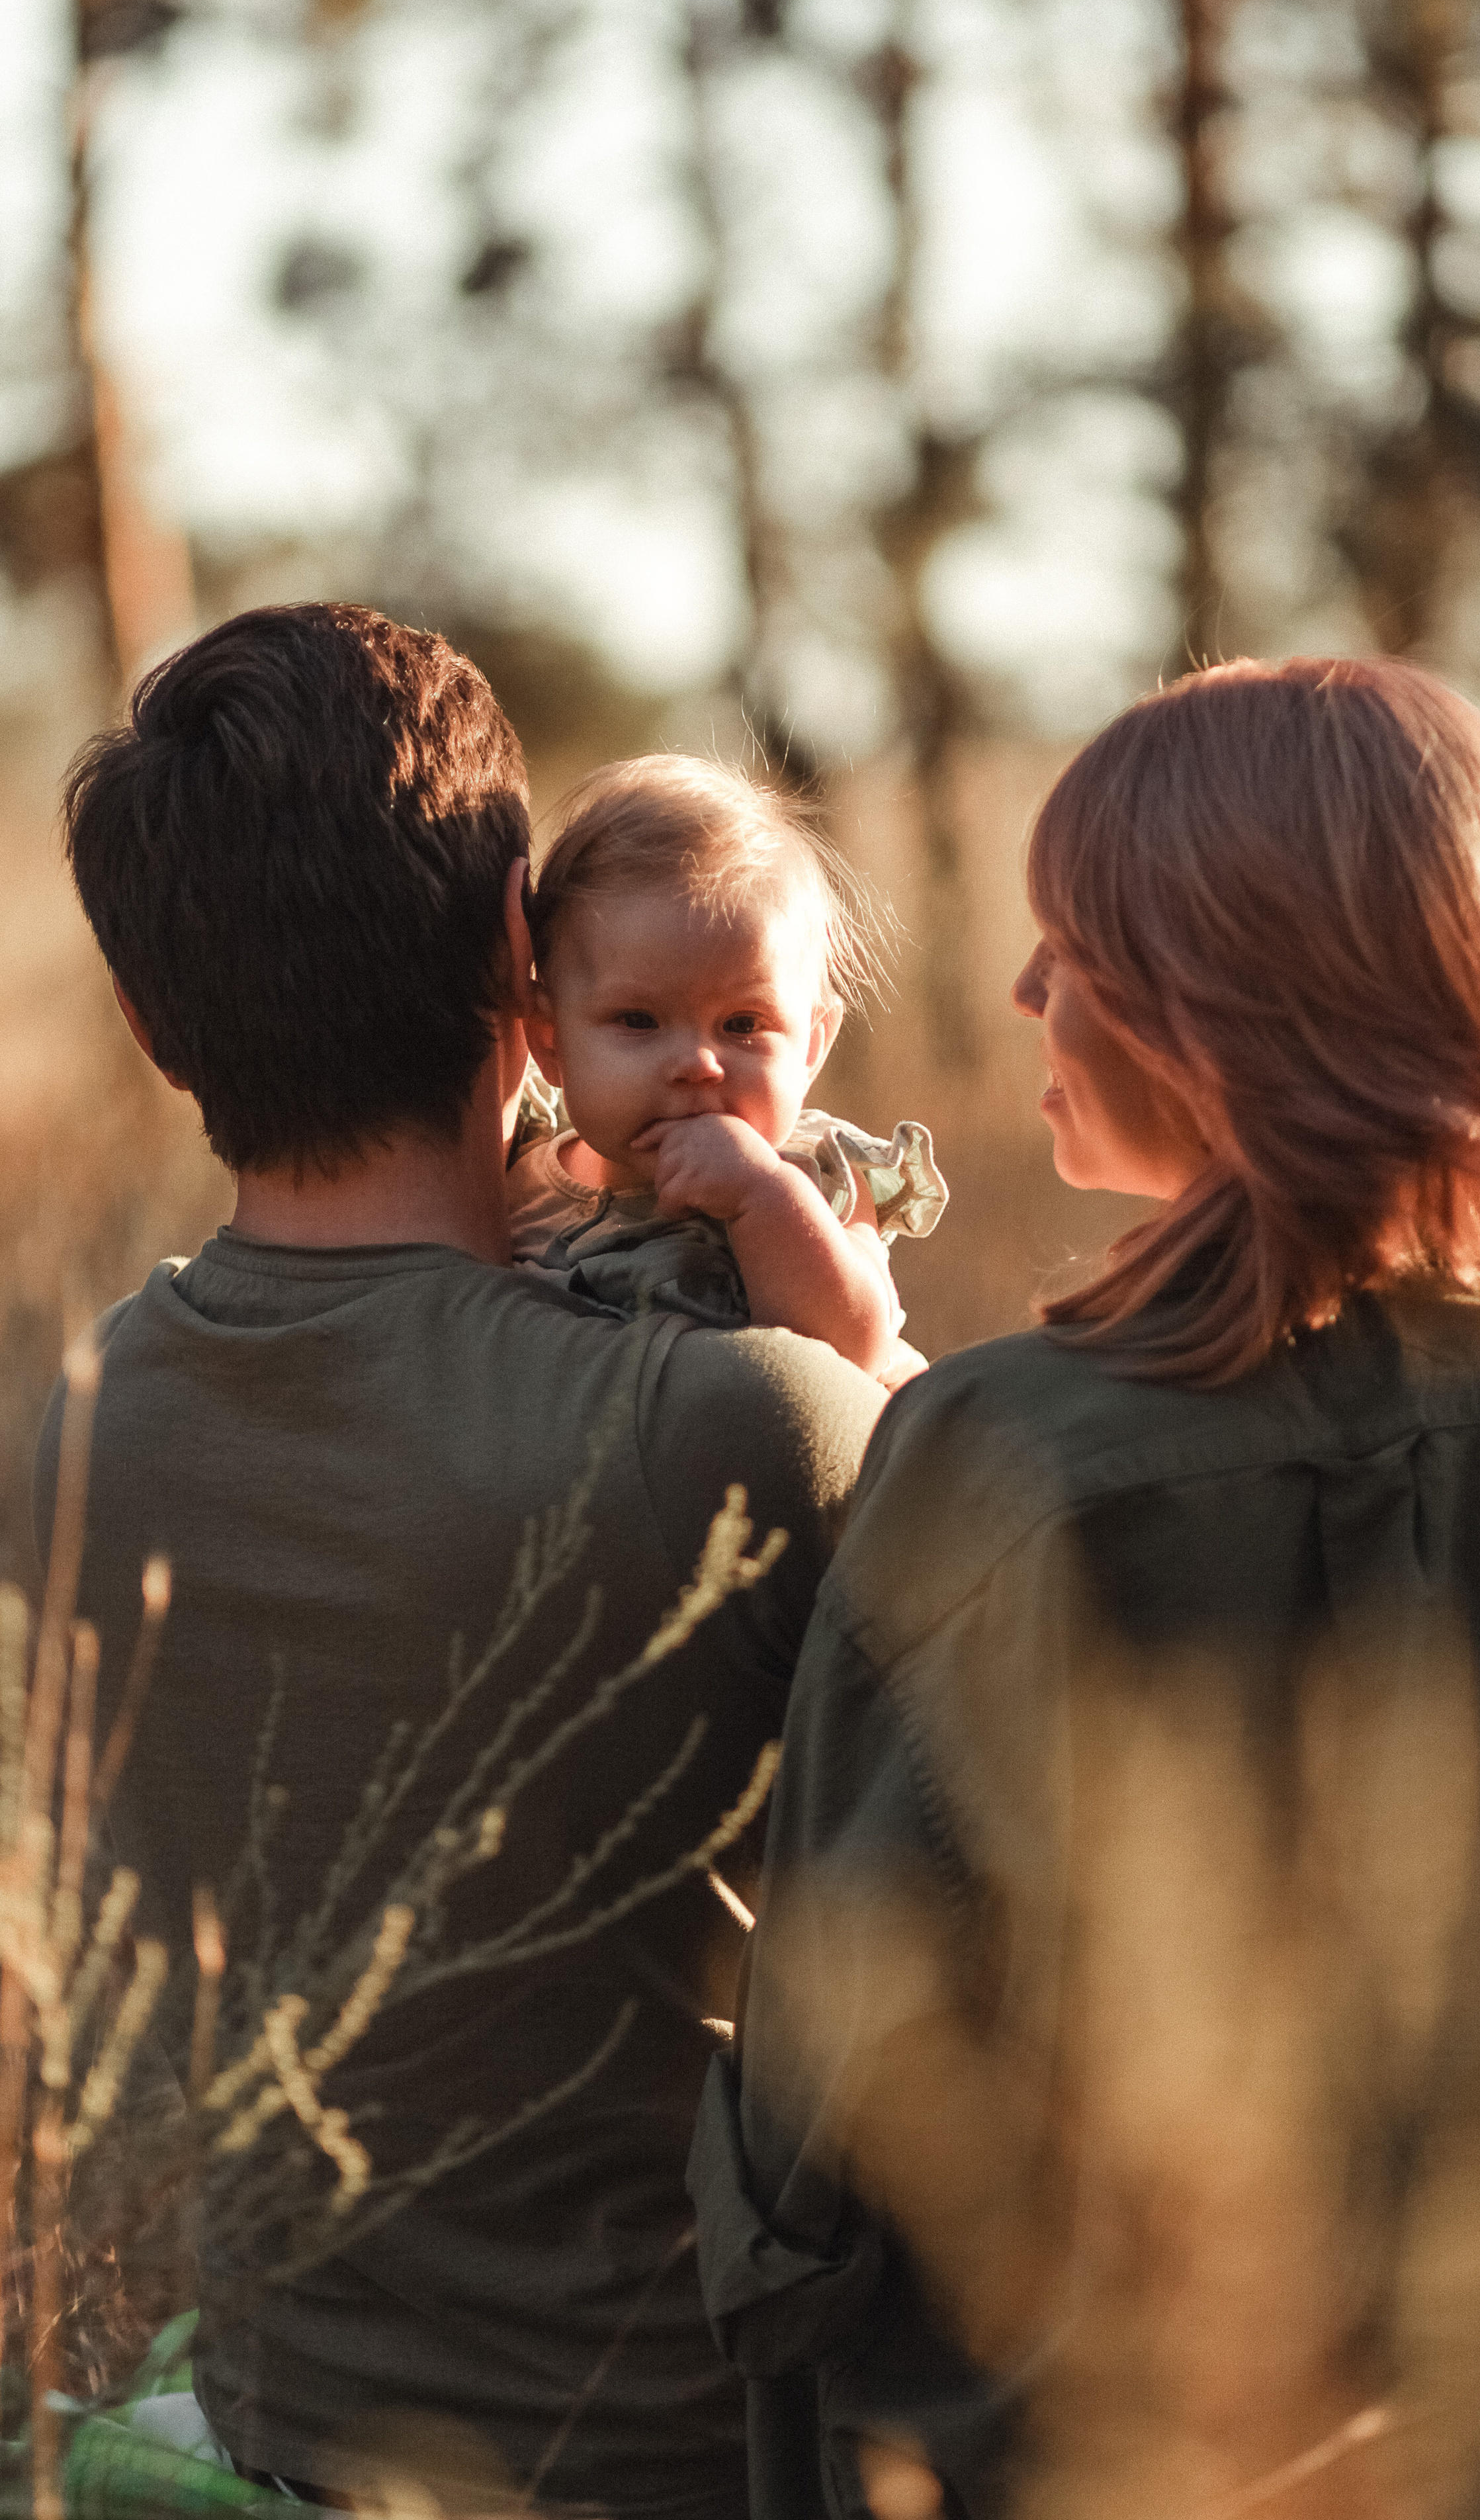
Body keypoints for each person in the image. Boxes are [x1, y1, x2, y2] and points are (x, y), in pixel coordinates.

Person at [689, 656, 1480, 2520]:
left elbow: (819, 2119)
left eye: (1079, 946)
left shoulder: (1013, 1458)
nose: (1024, 992)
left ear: (1235, 1005)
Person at [36, 603, 885, 2517]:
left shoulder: (78, 1437)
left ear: (152, 1024)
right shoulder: (730, 1420)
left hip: (289, 2428)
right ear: (523, 954)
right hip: (695, 2459)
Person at [509, 756, 945, 1391]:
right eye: (638, 1020)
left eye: (742, 1024)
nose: (698, 1064)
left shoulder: (818, 1177)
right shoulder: (520, 1183)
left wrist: (761, 1198)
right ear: (550, 1041)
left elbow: (854, 1350)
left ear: (811, 1046)